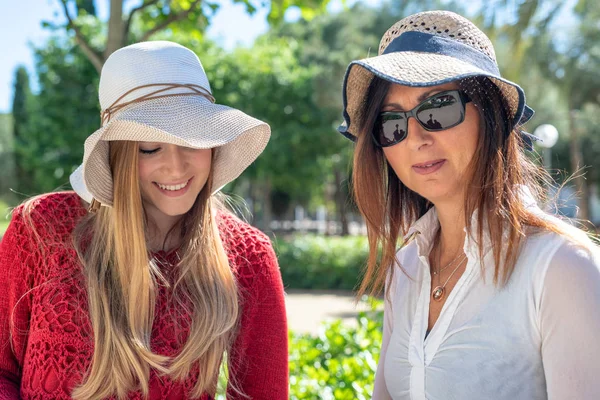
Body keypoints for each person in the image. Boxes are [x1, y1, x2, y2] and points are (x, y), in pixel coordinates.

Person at [0, 41, 288, 399]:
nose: (176, 167)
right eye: (150, 148)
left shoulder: (249, 257)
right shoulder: (39, 229)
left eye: (193, 141)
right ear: (117, 155)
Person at [337, 10, 600, 400]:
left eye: (439, 107)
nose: (415, 138)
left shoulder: (563, 267)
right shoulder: (405, 268)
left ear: (491, 114)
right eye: (392, 123)